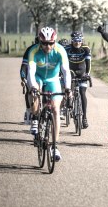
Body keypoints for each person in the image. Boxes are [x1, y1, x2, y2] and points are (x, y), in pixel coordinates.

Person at [27, 27, 72, 161]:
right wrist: (33, 87)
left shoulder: (60, 50)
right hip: (38, 78)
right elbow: (30, 71)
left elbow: (66, 71)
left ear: (55, 41)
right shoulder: (34, 51)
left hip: (53, 80)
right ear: (40, 42)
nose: (48, 46)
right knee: (35, 96)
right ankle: (35, 118)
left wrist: (68, 88)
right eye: (45, 43)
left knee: (56, 110)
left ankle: (54, 146)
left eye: (51, 43)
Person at [64, 31, 91, 128]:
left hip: (82, 71)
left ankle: (84, 117)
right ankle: (69, 99)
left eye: (79, 41)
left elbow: (88, 63)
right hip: (70, 71)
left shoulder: (86, 49)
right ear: (72, 41)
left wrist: (87, 74)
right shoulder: (66, 49)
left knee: (83, 93)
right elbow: (63, 63)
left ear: (82, 40)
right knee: (69, 87)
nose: (77, 43)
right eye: (75, 41)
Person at [19, 36, 39, 125]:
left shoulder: (50, 49)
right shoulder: (30, 50)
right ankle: (28, 111)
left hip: (43, 75)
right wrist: (23, 78)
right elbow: (23, 66)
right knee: (30, 91)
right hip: (31, 74)